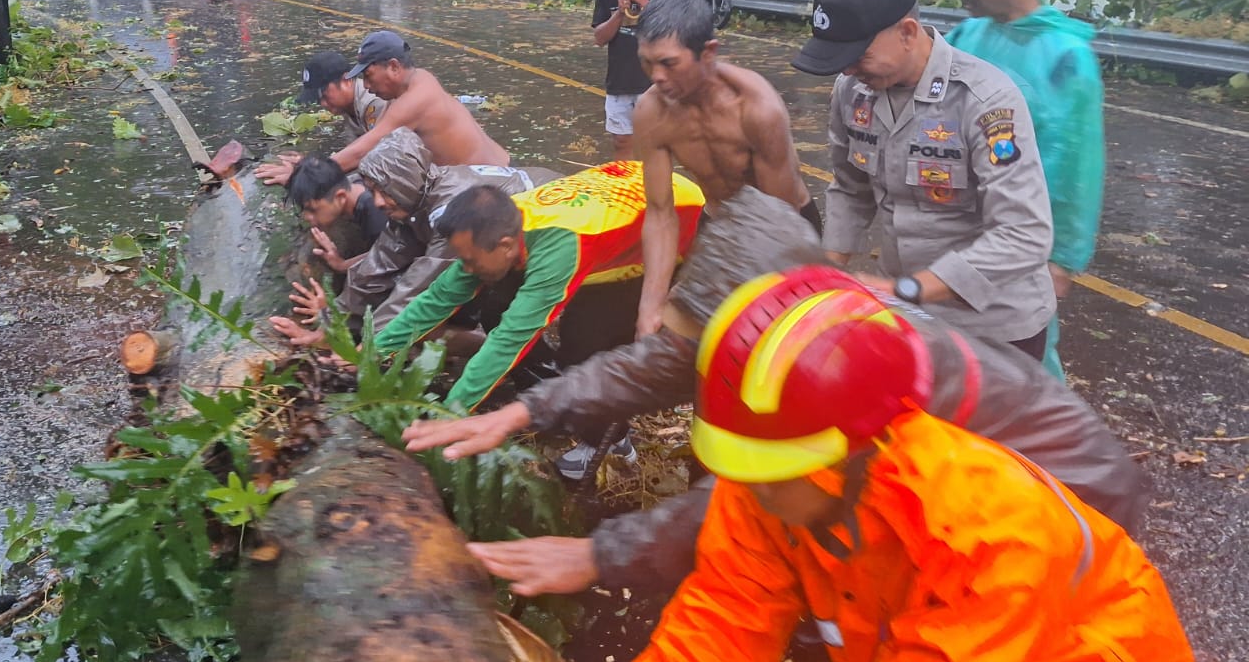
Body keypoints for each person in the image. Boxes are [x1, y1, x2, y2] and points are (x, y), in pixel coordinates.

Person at [404, 197, 1147, 598]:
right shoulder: (785, 334)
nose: (683, 362)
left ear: (771, 323)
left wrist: (603, 553)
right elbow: (649, 368)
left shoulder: (865, 375)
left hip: (1065, 507)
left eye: (703, 349)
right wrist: (526, 410)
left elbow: (752, 506)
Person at [586, 275, 1194, 662]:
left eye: (764, 471)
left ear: (852, 452)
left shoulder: (994, 541)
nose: (742, 489)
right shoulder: (772, 481)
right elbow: (721, 622)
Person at [792, 0, 1057, 357]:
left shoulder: (985, 100)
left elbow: (1023, 234)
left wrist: (911, 288)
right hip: (907, 313)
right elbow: (850, 188)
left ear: (907, 32)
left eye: (858, 55)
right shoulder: (853, 93)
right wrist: (825, 271)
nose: (847, 71)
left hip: (992, 327)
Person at [368, 166, 704, 410]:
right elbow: (438, 297)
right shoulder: (501, 224)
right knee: (496, 304)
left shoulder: (559, 251)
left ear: (505, 246)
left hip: (671, 224)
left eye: (470, 260)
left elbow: (510, 338)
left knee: (586, 343)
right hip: (628, 187)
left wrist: (451, 414)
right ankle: (545, 373)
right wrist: (369, 354)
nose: (464, 269)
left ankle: (612, 440)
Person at [931, 0, 1105, 381]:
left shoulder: (1066, 57)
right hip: (958, 217)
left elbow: (1077, 164)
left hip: (1023, 232)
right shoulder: (970, 35)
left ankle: (1050, 447)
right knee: (954, 340)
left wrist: (1062, 256)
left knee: (1026, 353)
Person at [632, 0, 816, 340]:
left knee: (775, 339)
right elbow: (660, 214)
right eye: (647, 62)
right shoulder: (650, 112)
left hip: (784, 224)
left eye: (669, 63)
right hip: (718, 223)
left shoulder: (757, 109)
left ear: (708, 53)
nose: (655, 76)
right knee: (678, 332)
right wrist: (650, 305)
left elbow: (781, 221)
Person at [268, 129, 549, 345]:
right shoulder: (414, 199)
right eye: (371, 191)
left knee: (473, 309)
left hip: (547, 221)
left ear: (405, 182)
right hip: (505, 236)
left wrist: (367, 347)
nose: (376, 202)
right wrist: (331, 323)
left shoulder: (446, 211)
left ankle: (511, 353)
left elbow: (414, 291)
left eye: (382, 191)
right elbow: (375, 268)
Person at [335, 30, 511, 173]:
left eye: (368, 75)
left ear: (394, 67)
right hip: (499, 170)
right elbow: (371, 142)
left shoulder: (415, 100)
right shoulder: (421, 78)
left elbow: (361, 153)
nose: (365, 85)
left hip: (495, 182)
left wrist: (313, 172)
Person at [591, 0, 673, 160]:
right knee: (622, 143)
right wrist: (619, 13)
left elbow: (670, 24)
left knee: (655, 145)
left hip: (654, 81)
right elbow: (599, 38)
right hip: (620, 80)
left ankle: (654, 193)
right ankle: (624, 192)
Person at [255, 49, 389, 185]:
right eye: (318, 100)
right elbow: (353, 154)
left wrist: (308, 176)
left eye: (324, 95)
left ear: (346, 80)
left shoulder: (372, 103)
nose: (323, 104)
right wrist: (310, 164)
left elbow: (368, 156)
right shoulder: (348, 105)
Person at [283, 153, 389, 276]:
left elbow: (386, 256)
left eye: (312, 210)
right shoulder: (357, 184)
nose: (306, 217)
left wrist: (342, 265)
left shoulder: (377, 216)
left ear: (340, 197)